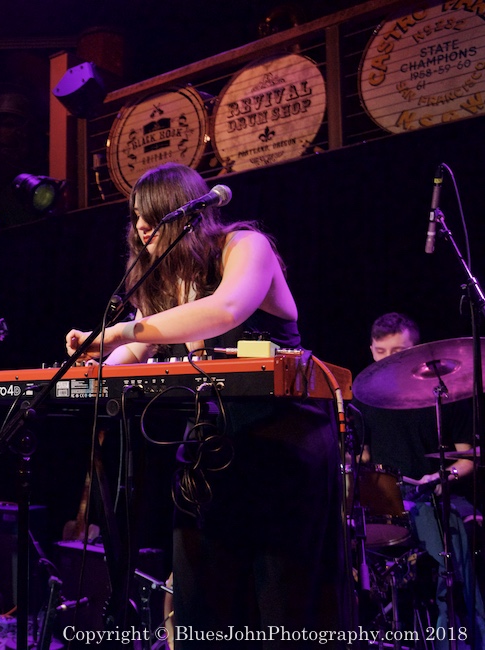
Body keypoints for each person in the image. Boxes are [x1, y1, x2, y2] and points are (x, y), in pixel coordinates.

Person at [65, 162, 347, 646]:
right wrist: (91, 366)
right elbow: (133, 354)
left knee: (280, 603)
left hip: (282, 444)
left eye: (152, 216)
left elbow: (226, 310)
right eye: (135, 217)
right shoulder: (159, 278)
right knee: (200, 607)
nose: (141, 228)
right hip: (211, 449)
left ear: (186, 214)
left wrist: (118, 333)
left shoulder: (244, 246)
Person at [356, 312, 485, 648]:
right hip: (385, 503)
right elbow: (363, 458)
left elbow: (467, 457)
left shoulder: (445, 393)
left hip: (432, 496)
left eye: (398, 352)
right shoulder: (366, 397)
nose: (387, 360)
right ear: (371, 350)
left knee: (452, 571)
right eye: (380, 352)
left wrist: (442, 475)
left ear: (416, 350)